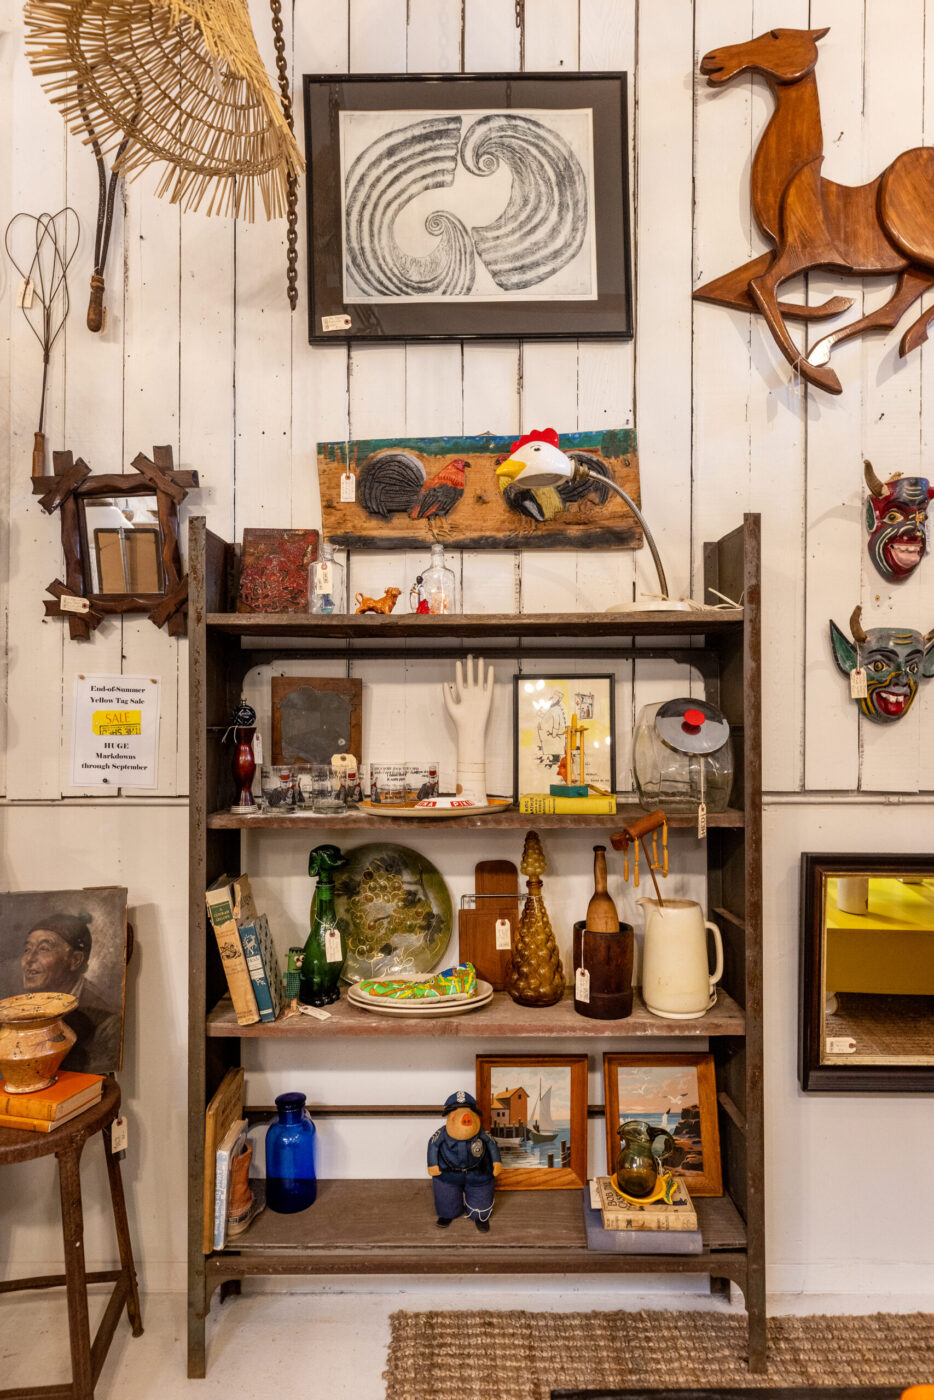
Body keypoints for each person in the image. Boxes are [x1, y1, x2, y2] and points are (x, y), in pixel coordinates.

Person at [20, 913, 121, 1072]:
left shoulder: (106, 1022)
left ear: (75, 960)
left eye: (44, 949)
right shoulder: (18, 1010)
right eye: (27, 949)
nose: (29, 959)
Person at [427, 1090, 502, 1232]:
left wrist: (496, 1162)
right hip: (447, 1175)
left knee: (480, 1211)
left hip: (478, 1174)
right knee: (446, 1203)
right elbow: (433, 1144)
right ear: (449, 1117)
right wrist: (432, 1164)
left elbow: (492, 1144)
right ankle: (447, 1214)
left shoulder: (482, 1133)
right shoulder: (441, 1134)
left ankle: (480, 1216)